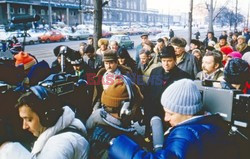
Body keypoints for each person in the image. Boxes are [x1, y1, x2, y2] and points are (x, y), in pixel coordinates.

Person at [92, 79, 235, 159]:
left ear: (187, 112)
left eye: (171, 113)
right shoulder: (209, 126)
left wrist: (114, 143)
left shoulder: (186, 134)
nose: (166, 118)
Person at [16, 86, 89, 158]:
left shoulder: (58, 146)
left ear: (46, 117)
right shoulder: (69, 129)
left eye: (29, 119)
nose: (24, 126)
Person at [86, 77, 144, 159]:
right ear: (126, 109)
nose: (136, 111)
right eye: (135, 106)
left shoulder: (102, 130)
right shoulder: (105, 145)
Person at [143, 46, 191, 136]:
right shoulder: (155, 72)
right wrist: (146, 116)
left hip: (170, 117)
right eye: (164, 61)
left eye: (169, 61)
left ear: (175, 60)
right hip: (153, 113)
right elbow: (148, 94)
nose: (166, 64)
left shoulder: (183, 77)